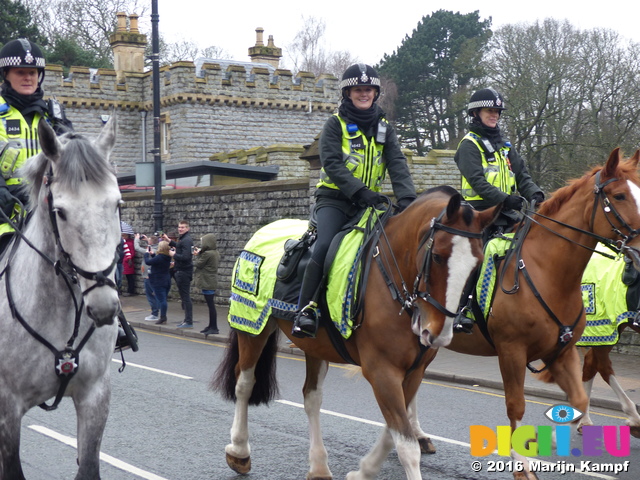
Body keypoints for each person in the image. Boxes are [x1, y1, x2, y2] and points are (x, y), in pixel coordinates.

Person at [291, 63, 417, 339]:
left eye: (369, 89)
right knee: (324, 247)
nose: (364, 94)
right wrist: (361, 192)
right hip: (335, 201)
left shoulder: (385, 128)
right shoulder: (334, 124)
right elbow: (333, 165)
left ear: (375, 93)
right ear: (348, 93)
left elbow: (397, 164)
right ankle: (306, 310)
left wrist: (409, 201)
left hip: (369, 204)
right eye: (358, 90)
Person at [452, 87, 545, 333]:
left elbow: (522, 175)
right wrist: (505, 199)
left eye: (496, 111)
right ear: (475, 114)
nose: (494, 115)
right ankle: (463, 308)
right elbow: (478, 183)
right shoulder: (468, 145)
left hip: (507, 213)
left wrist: (534, 193)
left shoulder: (504, 145)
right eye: (488, 111)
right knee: (476, 259)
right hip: (477, 214)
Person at [0, 38, 72, 251]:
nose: (28, 78)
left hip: (49, 216)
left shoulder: (55, 115)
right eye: (20, 72)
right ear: (6, 74)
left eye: (32, 72)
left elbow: (72, 160)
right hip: (5, 216)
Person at [162, 221, 194, 328]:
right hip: (181, 271)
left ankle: (188, 321)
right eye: (179, 227)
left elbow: (186, 257)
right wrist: (169, 241)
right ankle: (187, 320)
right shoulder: (183, 239)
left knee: (185, 297)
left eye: (183, 227)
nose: (180, 229)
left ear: (187, 228)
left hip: (184, 271)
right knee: (184, 297)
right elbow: (179, 246)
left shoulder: (187, 240)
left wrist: (173, 254)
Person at [193, 233, 220, 335]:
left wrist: (197, 255)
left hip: (207, 281)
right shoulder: (215, 252)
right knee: (210, 305)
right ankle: (211, 325)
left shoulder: (207, 254)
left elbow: (198, 264)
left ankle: (214, 327)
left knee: (211, 305)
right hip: (211, 280)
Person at [144, 240, 173, 325]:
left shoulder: (160, 257)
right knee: (163, 299)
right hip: (166, 279)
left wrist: (146, 254)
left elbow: (148, 262)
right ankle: (163, 316)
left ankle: (163, 317)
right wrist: (153, 254)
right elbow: (157, 262)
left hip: (158, 281)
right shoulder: (167, 257)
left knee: (162, 300)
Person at [135, 233, 159, 321]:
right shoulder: (157, 248)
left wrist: (137, 239)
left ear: (151, 243)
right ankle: (157, 311)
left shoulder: (150, 251)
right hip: (154, 275)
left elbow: (137, 248)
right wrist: (147, 240)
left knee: (150, 295)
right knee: (155, 294)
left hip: (149, 276)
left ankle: (155, 313)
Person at [122, 231, 136, 296]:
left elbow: (132, 253)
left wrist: (126, 259)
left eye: (123, 236)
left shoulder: (129, 243)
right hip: (127, 262)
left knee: (130, 277)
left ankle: (130, 291)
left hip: (128, 262)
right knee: (129, 277)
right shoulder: (128, 242)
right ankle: (130, 290)